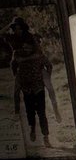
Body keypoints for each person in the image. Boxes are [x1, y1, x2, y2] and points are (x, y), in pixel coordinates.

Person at [5, 17, 56, 147]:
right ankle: (32, 128)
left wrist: (46, 78)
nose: (26, 47)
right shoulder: (17, 53)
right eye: (15, 28)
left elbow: (48, 65)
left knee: (42, 113)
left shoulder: (37, 53)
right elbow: (13, 65)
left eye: (19, 27)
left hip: (38, 86)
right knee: (30, 112)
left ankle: (46, 137)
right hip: (26, 87)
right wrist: (17, 76)